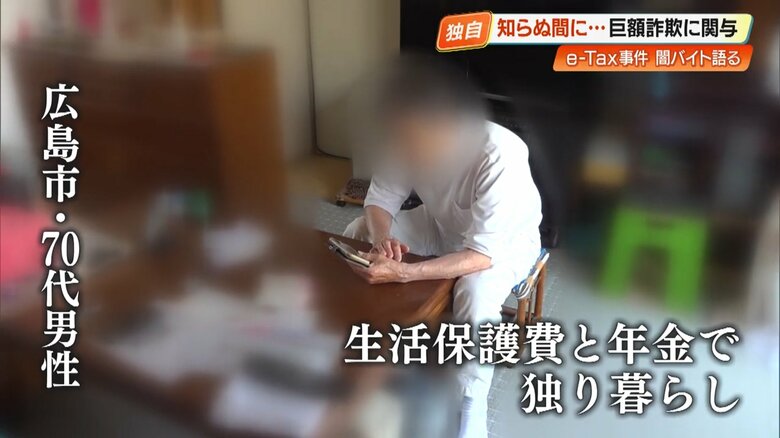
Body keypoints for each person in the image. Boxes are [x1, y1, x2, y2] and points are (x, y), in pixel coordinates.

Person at [343, 58, 543, 438]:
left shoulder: (499, 154)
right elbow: (380, 199)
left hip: (506, 244)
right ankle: (376, 346)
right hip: (441, 224)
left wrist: (406, 271)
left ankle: (471, 407)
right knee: (358, 231)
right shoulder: (407, 135)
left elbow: (481, 255)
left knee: (475, 292)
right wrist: (383, 238)